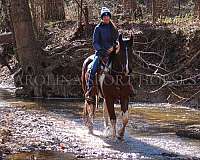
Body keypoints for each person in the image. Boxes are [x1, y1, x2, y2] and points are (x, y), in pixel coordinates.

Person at [85, 7, 120, 100]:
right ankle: (90, 89)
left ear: (109, 17)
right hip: (100, 53)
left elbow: (117, 39)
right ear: (102, 18)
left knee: (122, 66)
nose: (106, 18)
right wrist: (101, 50)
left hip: (112, 53)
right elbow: (95, 42)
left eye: (108, 16)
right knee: (92, 69)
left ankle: (122, 88)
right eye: (104, 16)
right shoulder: (98, 28)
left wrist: (113, 46)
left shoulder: (113, 28)